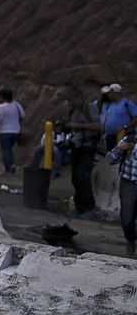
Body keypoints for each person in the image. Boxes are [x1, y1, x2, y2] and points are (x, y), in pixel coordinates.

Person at [60, 86, 101, 218]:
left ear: (78, 98)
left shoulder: (89, 108)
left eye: (71, 100)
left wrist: (77, 126)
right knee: (75, 178)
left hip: (88, 147)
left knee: (83, 176)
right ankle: (79, 207)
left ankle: (90, 207)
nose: (70, 103)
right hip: (76, 147)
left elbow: (98, 126)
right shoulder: (73, 110)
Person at [104, 123, 137, 257]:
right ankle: (130, 239)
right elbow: (110, 159)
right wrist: (119, 149)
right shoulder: (130, 139)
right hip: (129, 182)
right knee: (127, 218)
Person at [0, 88, 25, 175]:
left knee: (6, 150)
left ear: (2, 96)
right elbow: (23, 114)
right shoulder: (16, 104)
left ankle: (8, 168)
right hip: (16, 131)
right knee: (9, 149)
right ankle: (12, 164)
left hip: (5, 132)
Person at [100, 83, 137, 150]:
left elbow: (136, 118)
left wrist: (124, 127)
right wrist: (103, 134)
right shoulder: (110, 105)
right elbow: (106, 119)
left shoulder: (127, 103)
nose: (108, 95)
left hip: (122, 136)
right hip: (109, 137)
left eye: (109, 92)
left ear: (115, 92)